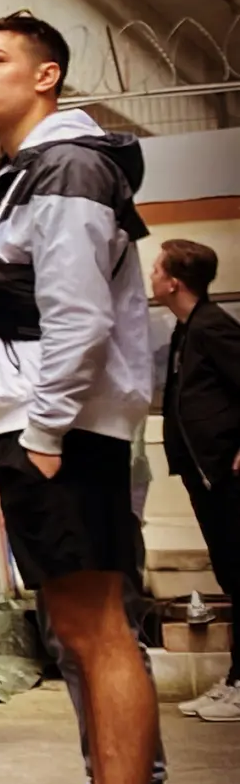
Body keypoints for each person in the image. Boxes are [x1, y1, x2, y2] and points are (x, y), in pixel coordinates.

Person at [0, 12, 180, 784]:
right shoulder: (36, 171)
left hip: (66, 434)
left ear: (47, 75)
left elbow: (80, 315)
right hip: (48, 430)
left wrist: (45, 431)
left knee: (100, 636)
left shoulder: (66, 166)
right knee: (83, 636)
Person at [154, 237, 240, 721]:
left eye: (158, 270)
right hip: (201, 474)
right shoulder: (185, 330)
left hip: (224, 472)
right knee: (230, 574)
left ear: (174, 281)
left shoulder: (211, 327)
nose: (152, 277)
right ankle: (233, 679)